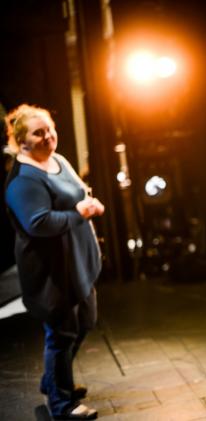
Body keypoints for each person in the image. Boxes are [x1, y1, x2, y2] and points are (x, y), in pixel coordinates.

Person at [4, 104, 104, 420]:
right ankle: (61, 405)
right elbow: (38, 223)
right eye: (38, 133)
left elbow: (77, 192)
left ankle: (53, 381)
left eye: (49, 129)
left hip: (78, 263)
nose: (48, 136)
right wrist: (79, 214)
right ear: (22, 142)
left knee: (84, 321)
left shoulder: (57, 160)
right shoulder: (23, 180)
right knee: (61, 335)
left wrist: (89, 202)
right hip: (53, 273)